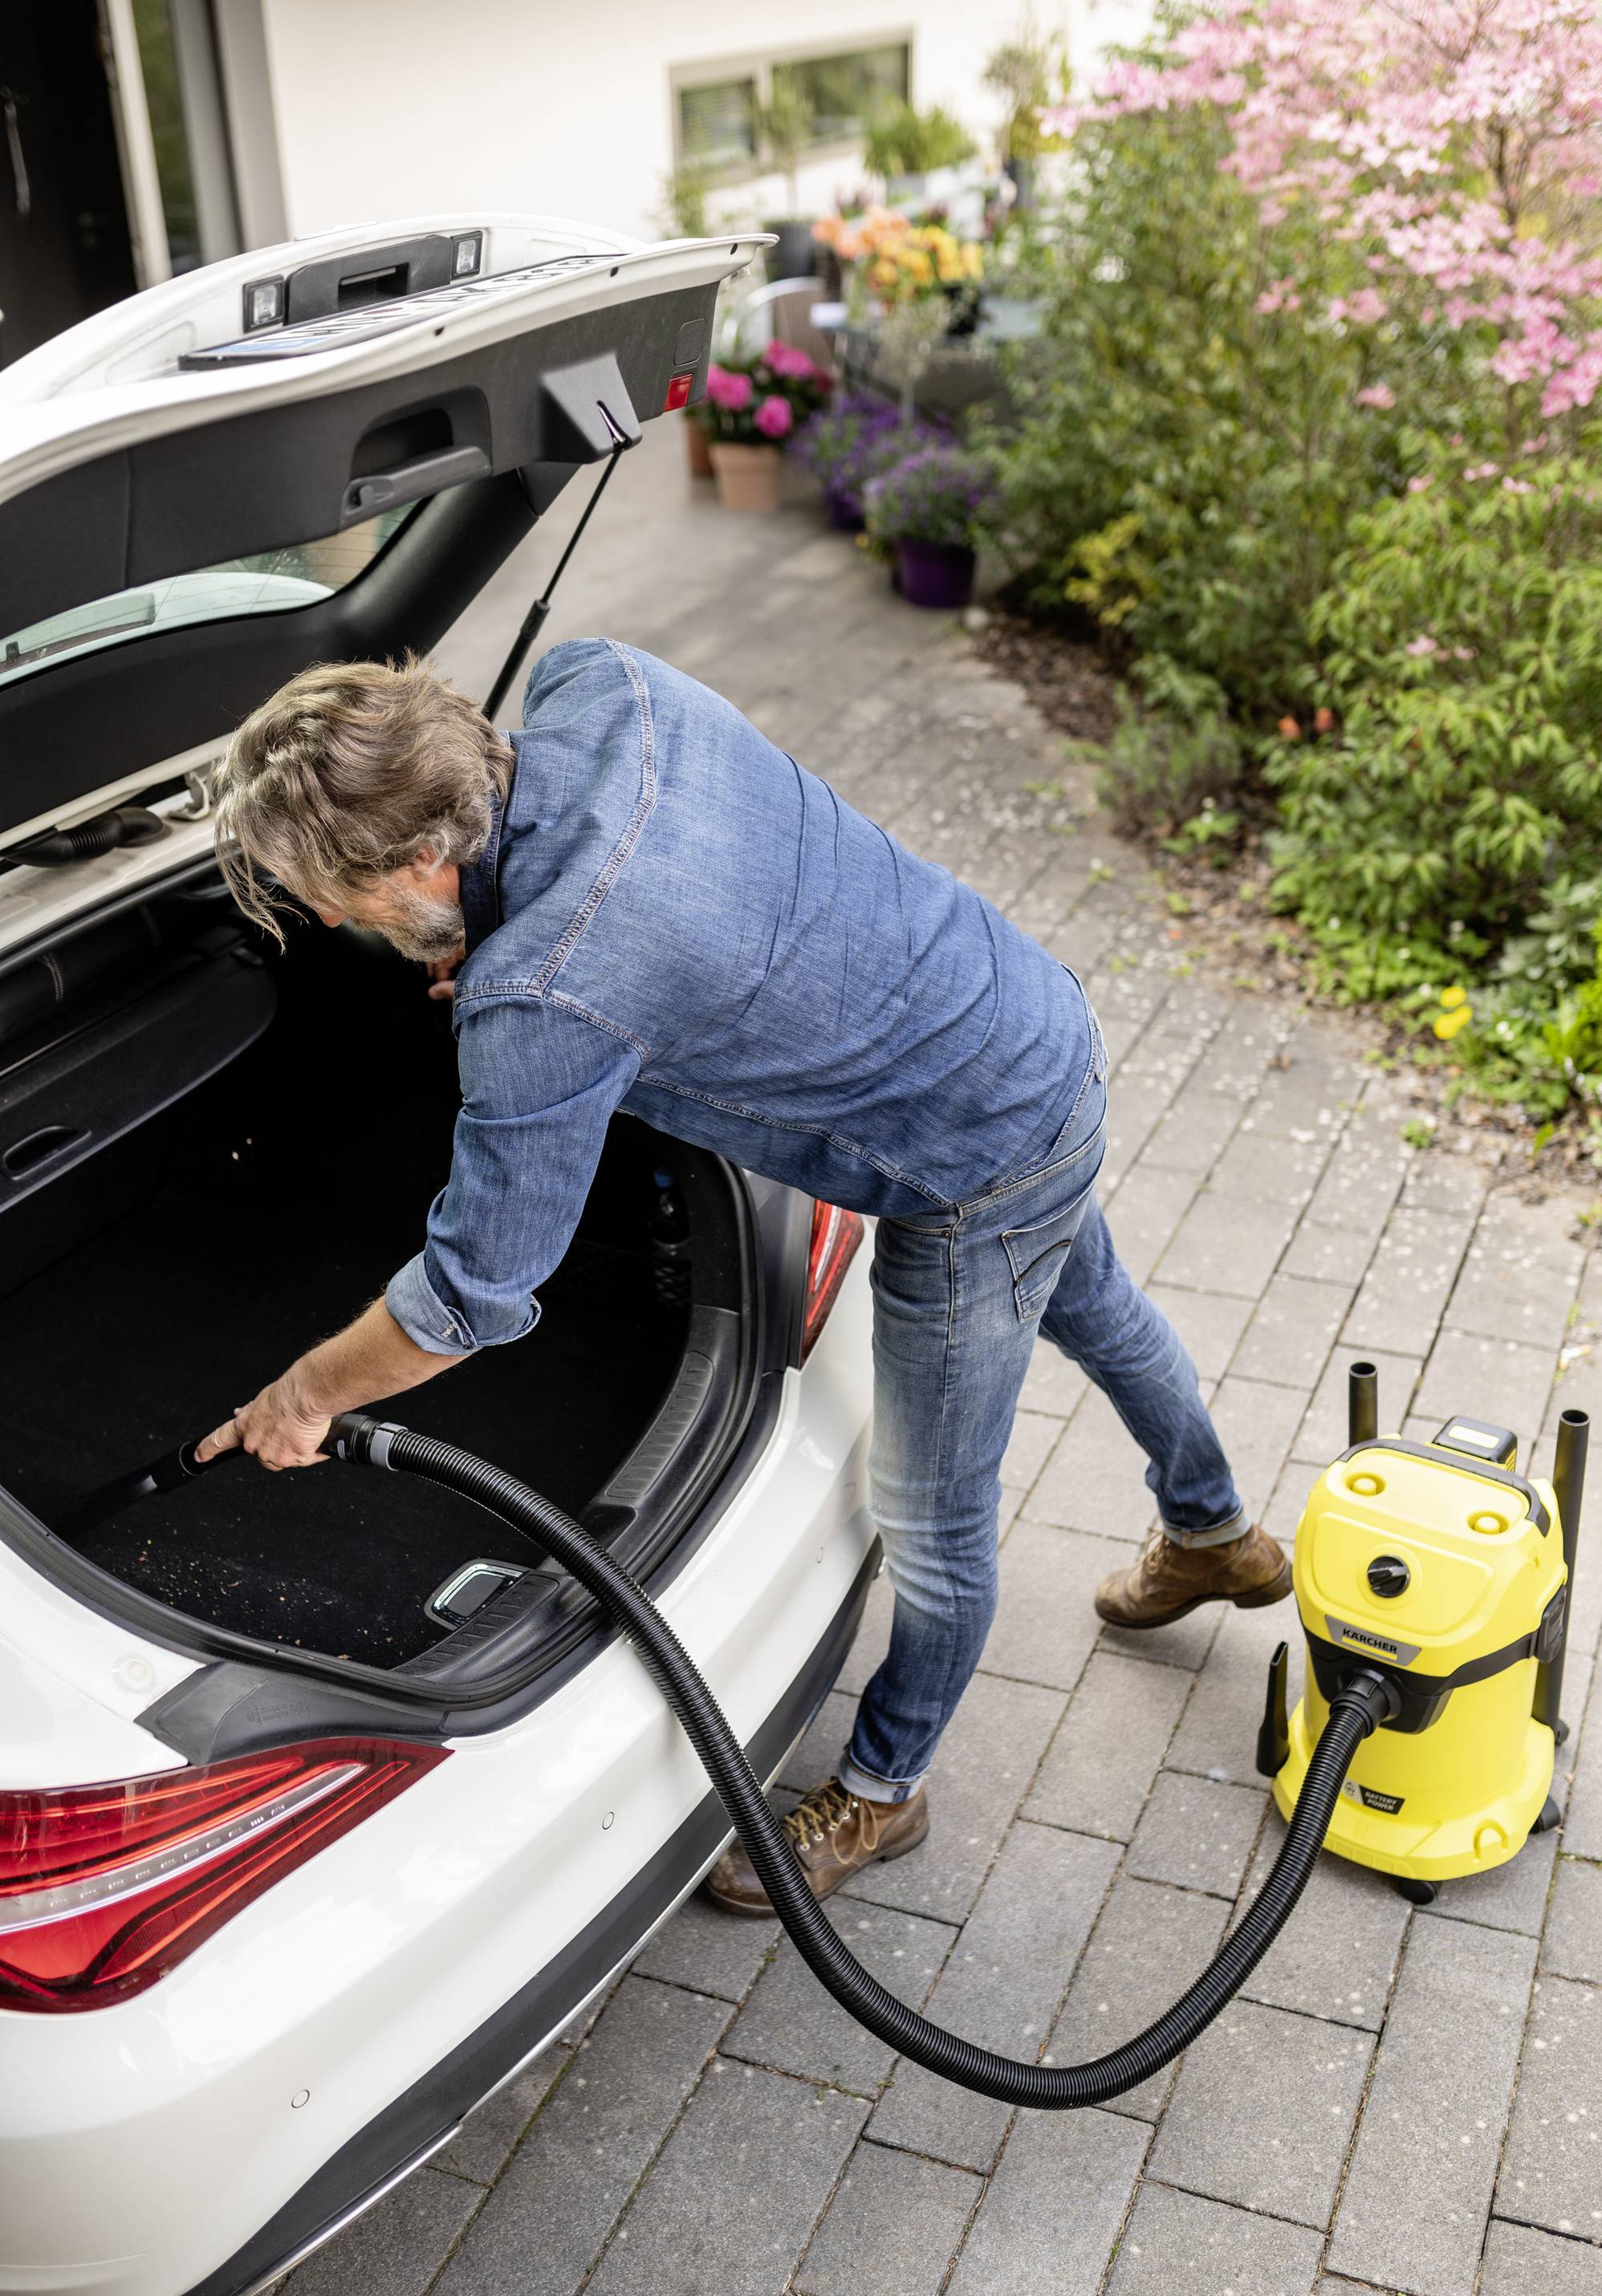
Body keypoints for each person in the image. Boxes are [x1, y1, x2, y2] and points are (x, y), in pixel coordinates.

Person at [198, 640, 1289, 1916]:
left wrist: (307, 1394)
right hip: (1029, 1023)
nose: (327, 924)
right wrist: (500, 940)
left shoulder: (544, 996)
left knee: (932, 1515)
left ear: (416, 862)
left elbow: (472, 1298)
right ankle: (1218, 1536)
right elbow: (637, 896)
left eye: (330, 896)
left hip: (968, 1163)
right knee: (1095, 1306)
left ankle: (888, 1787)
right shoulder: (600, 684)